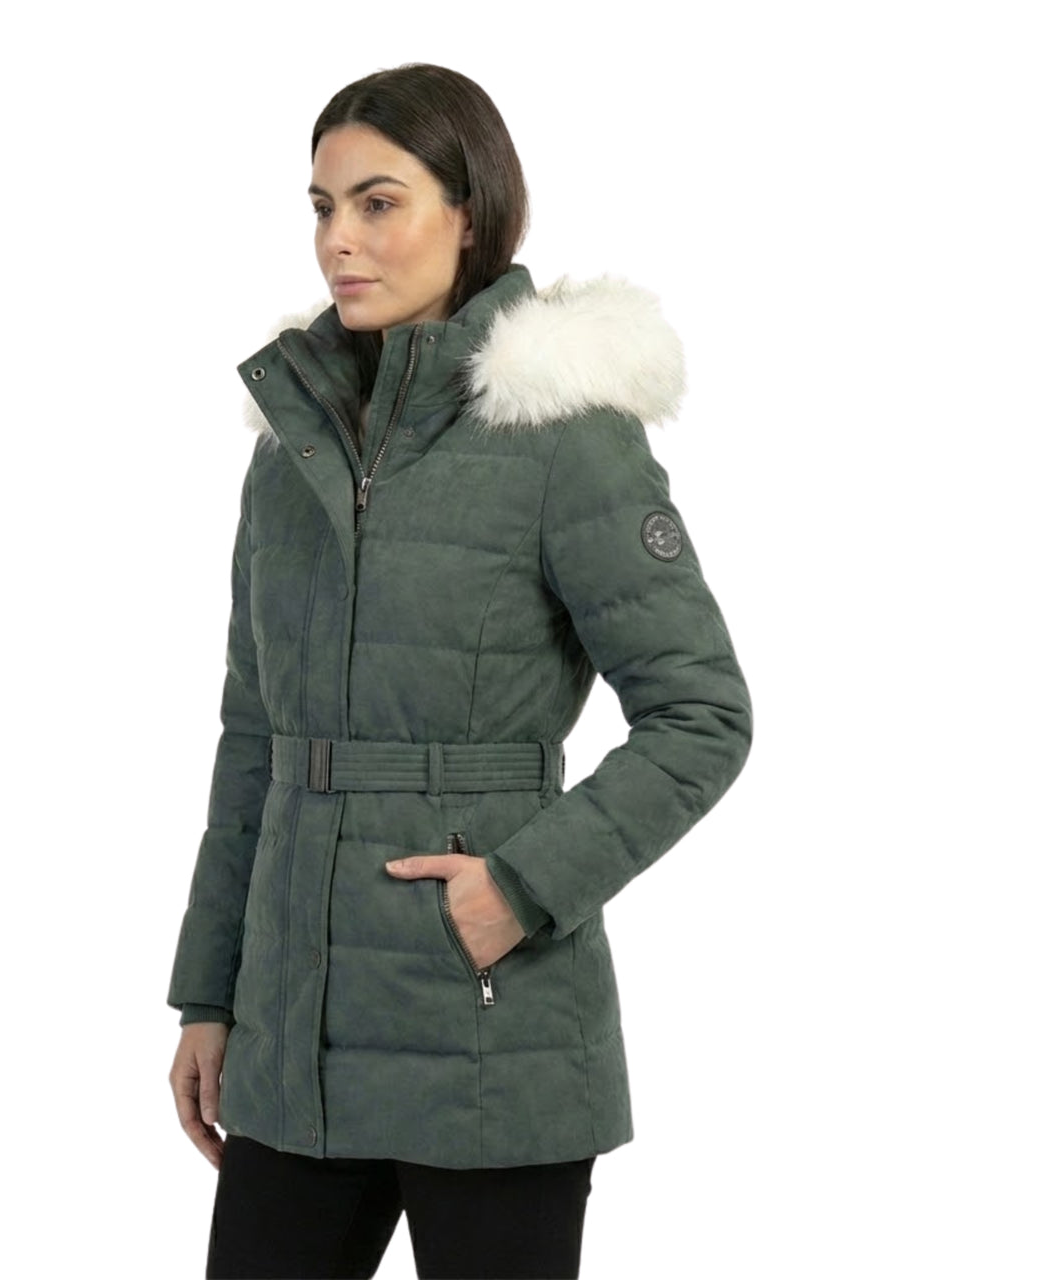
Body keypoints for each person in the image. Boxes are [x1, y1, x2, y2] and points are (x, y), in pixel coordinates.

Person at [167, 63, 752, 1279]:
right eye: (321, 206)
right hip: (294, 1031)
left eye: (377, 203)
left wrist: (518, 887)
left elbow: (699, 713)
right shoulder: (290, 449)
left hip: (491, 1026)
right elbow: (252, 738)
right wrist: (209, 993)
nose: (338, 239)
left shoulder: (561, 433)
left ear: (469, 211)